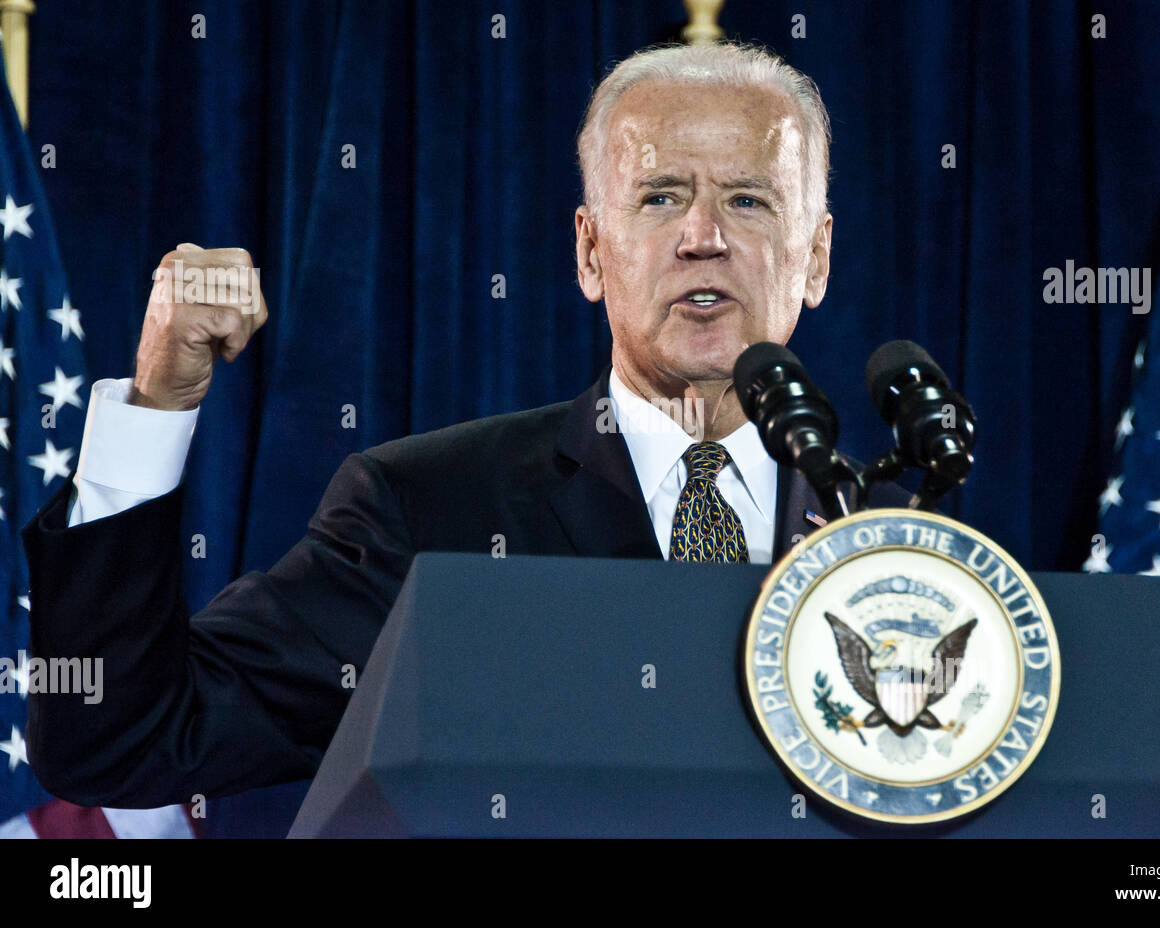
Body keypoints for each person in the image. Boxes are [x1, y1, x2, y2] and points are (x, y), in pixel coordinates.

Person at [20, 42, 907, 808]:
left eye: (749, 201)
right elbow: (123, 738)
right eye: (661, 197)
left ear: (815, 256)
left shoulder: (887, 535)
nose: (703, 236)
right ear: (590, 253)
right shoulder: (429, 511)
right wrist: (157, 405)